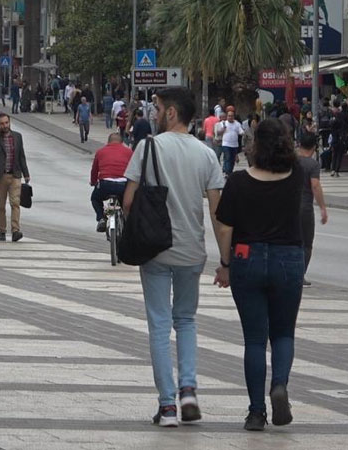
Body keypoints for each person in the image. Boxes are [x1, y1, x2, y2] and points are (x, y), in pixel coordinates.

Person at [122, 87, 223, 428]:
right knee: (187, 320)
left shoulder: (147, 147)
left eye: (157, 107)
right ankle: (189, 390)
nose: (153, 113)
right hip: (191, 251)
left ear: (172, 113)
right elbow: (216, 209)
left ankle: (167, 406)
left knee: (160, 325)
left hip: (155, 249)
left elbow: (128, 200)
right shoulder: (206, 154)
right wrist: (225, 260)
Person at [213, 118, 305, 432]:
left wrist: (225, 264)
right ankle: (279, 385)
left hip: (247, 257)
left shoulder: (238, 182)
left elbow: (225, 226)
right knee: (283, 333)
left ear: (254, 145)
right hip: (288, 258)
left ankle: (255, 413)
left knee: (254, 340)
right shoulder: (297, 177)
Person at [0, 113, 30, 242]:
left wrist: (26, 173)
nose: (5, 125)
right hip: (0, 176)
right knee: (0, 205)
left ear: (10, 122)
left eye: (6, 123)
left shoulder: (17, 136)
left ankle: (15, 230)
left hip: (15, 174)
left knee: (15, 203)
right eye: (2, 123)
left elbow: (21, 155)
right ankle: (2, 231)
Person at [296, 132, 328, 286]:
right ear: (314, 147)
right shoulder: (313, 165)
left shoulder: (290, 161)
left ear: (299, 144)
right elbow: (315, 185)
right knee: (306, 243)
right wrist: (323, 208)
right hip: (304, 208)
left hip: (287, 206)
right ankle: (299, 275)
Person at [90, 133, 132, 231]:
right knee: (127, 203)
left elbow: (94, 170)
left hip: (105, 184)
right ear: (122, 142)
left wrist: (93, 182)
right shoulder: (129, 152)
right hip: (123, 185)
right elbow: (134, 169)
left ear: (108, 142)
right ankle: (127, 223)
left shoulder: (100, 152)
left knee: (95, 199)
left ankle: (101, 218)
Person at [216, 110, 244, 175]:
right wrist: (222, 130)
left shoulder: (237, 124)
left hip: (234, 145)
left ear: (234, 117)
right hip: (226, 144)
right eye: (229, 116)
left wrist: (242, 133)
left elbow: (241, 131)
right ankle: (228, 172)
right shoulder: (223, 123)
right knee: (227, 158)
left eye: (231, 116)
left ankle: (229, 171)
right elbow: (218, 132)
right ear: (227, 117)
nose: (230, 117)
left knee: (232, 160)